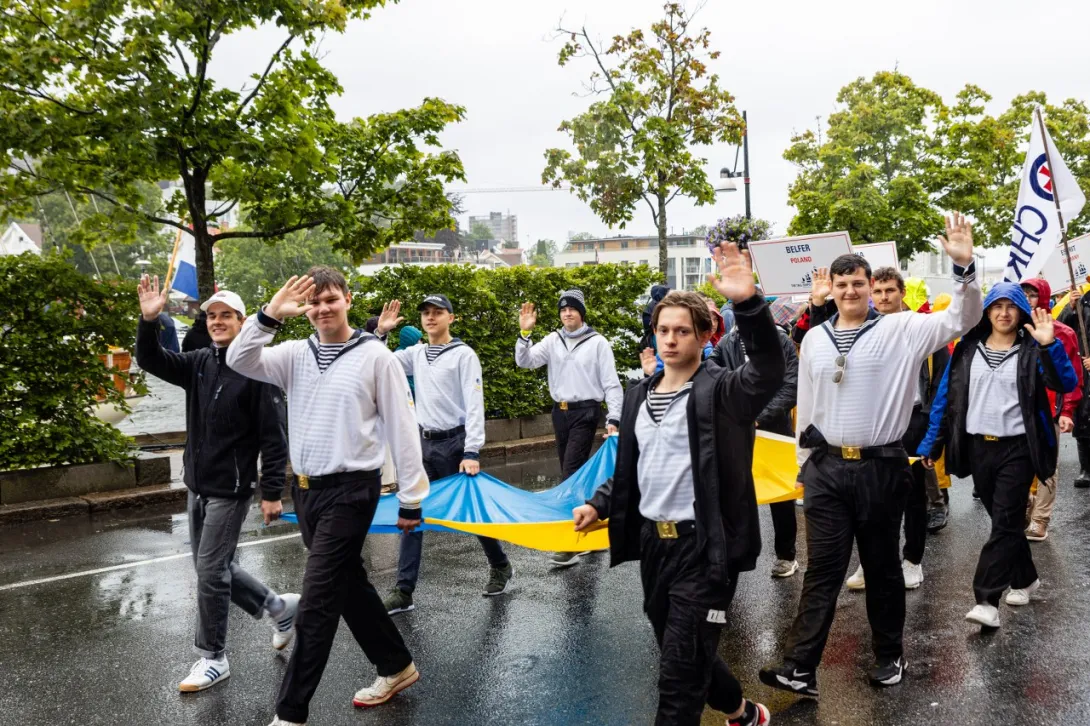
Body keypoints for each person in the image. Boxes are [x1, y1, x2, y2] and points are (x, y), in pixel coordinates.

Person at [759, 213, 982, 696]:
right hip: (825, 468)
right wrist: (803, 464)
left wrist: (964, 269)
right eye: (841, 284)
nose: (850, 291)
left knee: (881, 567)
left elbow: (962, 319)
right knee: (822, 569)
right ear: (832, 289)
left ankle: (889, 655)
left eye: (858, 283)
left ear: (869, 286)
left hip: (881, 466)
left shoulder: (902, 329)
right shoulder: (815, 338)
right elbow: (808, 405)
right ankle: (799, 667)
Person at [572, 240, 780, 726]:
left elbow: (769, 369)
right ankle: (743, 712)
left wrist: (749, 304)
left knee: (678, 679)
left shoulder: (724, 390)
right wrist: (600, 503)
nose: (670, 340)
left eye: (682, 331)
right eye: (663, 330)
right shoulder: (638, 394)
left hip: (704, 548)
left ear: (704, 336)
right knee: (681, 648)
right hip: (654, 545)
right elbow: (636, 466)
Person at [226, 266, 429, 726]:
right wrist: (269, 315)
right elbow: (239, 359)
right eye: (314, 302)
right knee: (348, 584)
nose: (322, 309)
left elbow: (403, 428)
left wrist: (412, 498)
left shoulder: (375, 357)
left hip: (352, 490)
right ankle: (396, 665)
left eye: (331, 299)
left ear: (348, 300)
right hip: (306, 493)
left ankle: (290, 713)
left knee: (317, 601)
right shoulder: (294, 354)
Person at [134, 279, 296, 693]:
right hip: (197, 482)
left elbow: (274, 437)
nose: (217, 321)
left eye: (226, 316)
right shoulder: (199, 362)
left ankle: (213, 658)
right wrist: (149, 320)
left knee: (210, 570)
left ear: (243, 322)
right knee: (214, 566)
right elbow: (150, 358)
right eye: (211, 316)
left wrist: (271, 492)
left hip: (231, 487)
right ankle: (277, 607)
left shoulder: (259, 370)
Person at [917, 283, 1076, 629]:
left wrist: (1049, 345)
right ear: (987, 312)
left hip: (1019, 449)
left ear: (1021, 312)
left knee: (1005, 520)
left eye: (1011, 306)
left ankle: (986, 600)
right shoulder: (967, 349)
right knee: (1005, 522)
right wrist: (932, 442)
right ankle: (1026, 578)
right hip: (979, 448)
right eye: (997, 306)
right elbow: (945, 398)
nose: (1004, 313)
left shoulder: (1032, 348)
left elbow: (1064, 383)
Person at [380, 294, 512, 615]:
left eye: (438, 312)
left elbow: (474, 403)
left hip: (455, 443)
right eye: (426, 313)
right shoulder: (416, 354)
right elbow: (380, 363)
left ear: (451, 318)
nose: (430, 317)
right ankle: (404, 589)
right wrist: (381, 333)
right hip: (423, 445)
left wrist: (472, 451)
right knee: (411, 511)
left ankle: (500, 564)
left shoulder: (464, 355)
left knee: (471, 514)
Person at [842, 266, 950, 592]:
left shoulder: (924, 330)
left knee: (913, 496)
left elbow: (942, 386)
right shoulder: (862, 331)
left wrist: (933, 433)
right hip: (874, 423)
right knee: (872, 496)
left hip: (914, 421)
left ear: (902, 293)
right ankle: (871, 560)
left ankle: (912, 560)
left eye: (890, 290)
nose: (884, 297)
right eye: (878, 291)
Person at [516, 289, 623, 568]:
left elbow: (611, 383)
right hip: (559, 413)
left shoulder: (597, 342)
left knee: (570, 473)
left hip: (586, 411)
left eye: (572, 309)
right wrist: (525, 334)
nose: (567, 313)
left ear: (581, 313)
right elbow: (525, 361)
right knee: (572, 474)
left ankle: (570, 543)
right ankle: (591, 527)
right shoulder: (553, 340)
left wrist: (614, 419)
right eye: (563, 310)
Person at [708, 302, 801, 579]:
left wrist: (758, 416)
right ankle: (730, 554)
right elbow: (710, 375)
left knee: (780, 494)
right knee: (732, 492)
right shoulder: (727, 343)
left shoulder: (780, 341)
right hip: (736, 429)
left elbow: (792, 385)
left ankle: (786, 555)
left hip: (774, 429)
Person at [1020, 278, 1083, 541]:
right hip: (1018, 409)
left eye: (1033, 295)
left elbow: (1073, 376)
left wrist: (1067, 410)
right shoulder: (1014, 330)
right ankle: (1025, 504)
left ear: (1043, 298)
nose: (1027, 300)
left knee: (1047, 464)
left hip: (1049, 410)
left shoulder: (1063, 333)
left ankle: (1040, 519)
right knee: (1017, 462)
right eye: (1023, 294)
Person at [1061, 285, 1090, 487]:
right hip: (1082, 368)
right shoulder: (1083, 300)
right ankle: (1086, 468)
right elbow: (1060, 329)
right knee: (1083, 416)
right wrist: (1070, 307)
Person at [395, 324, 424, 397]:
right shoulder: (402, 358)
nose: (421, 342)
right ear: (411, 341)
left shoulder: (401, 353)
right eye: (419, 340)